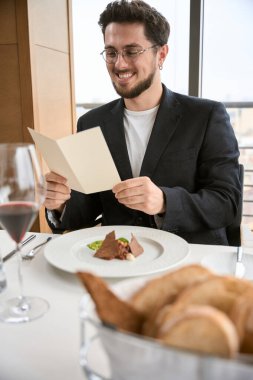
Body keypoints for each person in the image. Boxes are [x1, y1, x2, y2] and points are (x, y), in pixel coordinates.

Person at [45, 0, 241, 245]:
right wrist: (60, 204)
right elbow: (86, 210)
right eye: (111, 52)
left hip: (191, 261)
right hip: (117, 261)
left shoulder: (207, 116)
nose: (120, 64)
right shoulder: (90, 123)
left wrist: (164, 201)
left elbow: (227, 203)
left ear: (161, 54)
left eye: (132, 51)